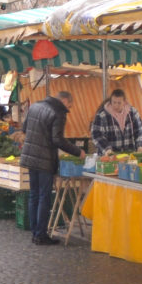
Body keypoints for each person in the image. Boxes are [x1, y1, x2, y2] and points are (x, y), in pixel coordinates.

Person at [19, 90, 85, 245]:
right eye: (69, 105)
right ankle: (41, 235)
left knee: (33, 195)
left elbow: (24, 129)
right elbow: (58, 140)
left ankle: (35, 232)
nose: (69, 108)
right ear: (64, 100)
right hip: (44, 160)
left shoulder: (35, 106)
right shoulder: (58, 112)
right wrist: (77, 151)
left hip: (30, 157)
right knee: (44, 197)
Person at [90, 88, 142, 155]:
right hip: (109, 156)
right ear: (111, 101)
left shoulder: (133, 113)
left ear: (124, 102)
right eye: (114, 102)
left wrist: (140, 145)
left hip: (129, 155)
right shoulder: (102, 115)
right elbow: (96, 135)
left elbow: (140, 130)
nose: (116, 106)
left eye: (119, 103)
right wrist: (106, 149)